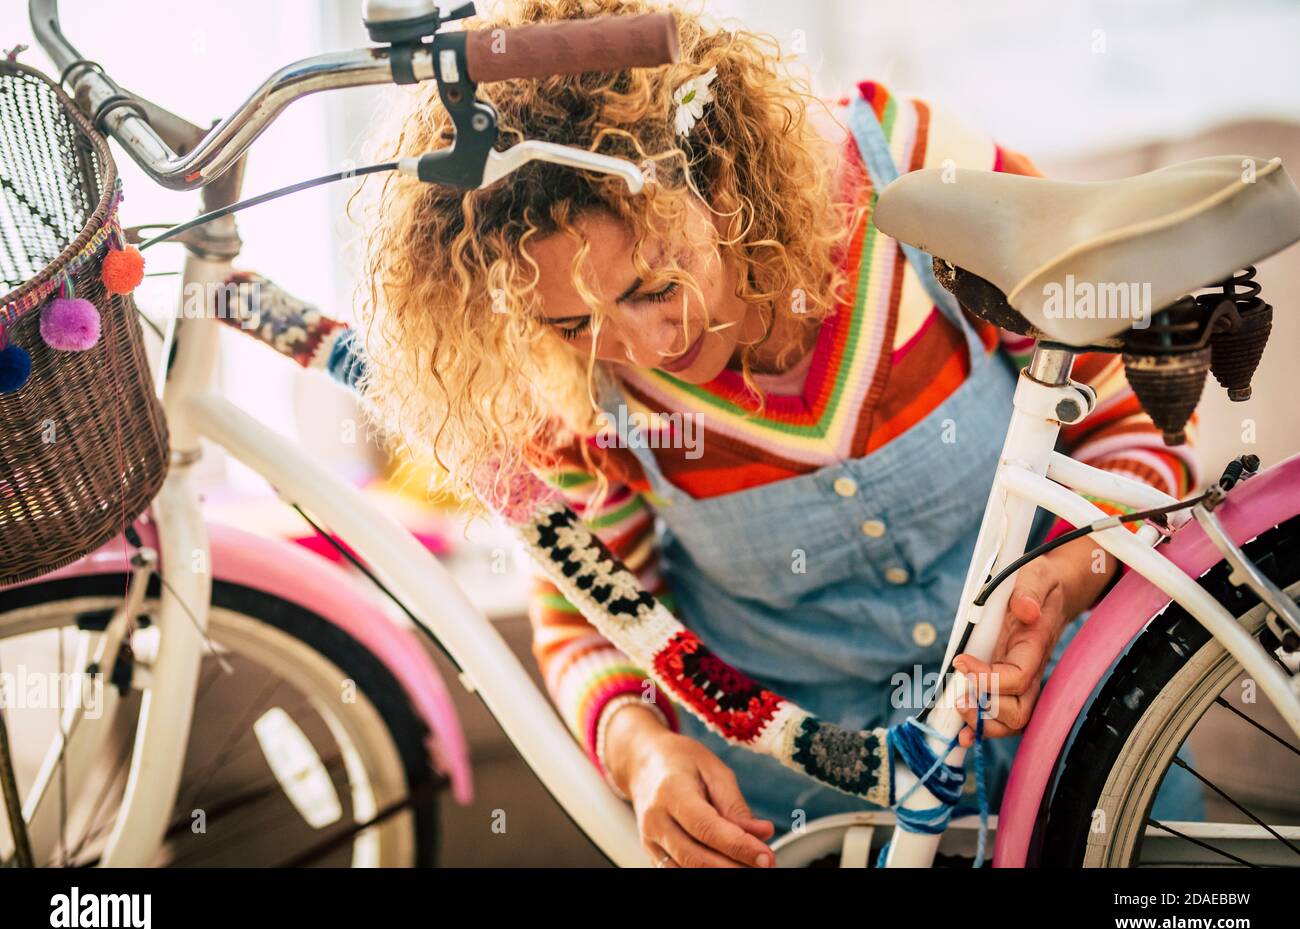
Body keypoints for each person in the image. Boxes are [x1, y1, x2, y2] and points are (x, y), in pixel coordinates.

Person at [230, 0, 1208, 866]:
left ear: (726, 188)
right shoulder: (568, 384)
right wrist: (642, 752)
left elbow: (1134, 413)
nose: (640, 344)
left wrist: (1074, 571)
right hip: (798, 821)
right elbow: (583, 613)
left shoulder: (907, 164)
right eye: (573, 323)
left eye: (655, 284)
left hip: (1101, 763)